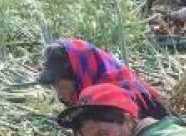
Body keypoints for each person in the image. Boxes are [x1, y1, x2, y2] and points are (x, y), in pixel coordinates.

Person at [38, 38, 167, 119]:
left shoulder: (116, 97)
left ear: (78, 76)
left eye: (60, 86)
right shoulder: (82, 96)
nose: (59, 94)